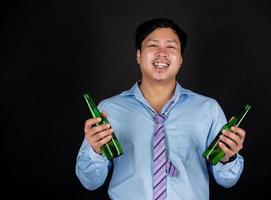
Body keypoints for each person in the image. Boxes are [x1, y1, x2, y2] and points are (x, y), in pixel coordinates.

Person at [75, 18, 246, 200]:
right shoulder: (108, 110)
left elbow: (227, 180)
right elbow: (90, 182)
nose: (161, 53)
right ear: (139, 55)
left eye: (171, 47)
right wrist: (95, 151)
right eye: (153, 45)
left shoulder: (208, 109)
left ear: (180, 59)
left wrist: (229, 158)